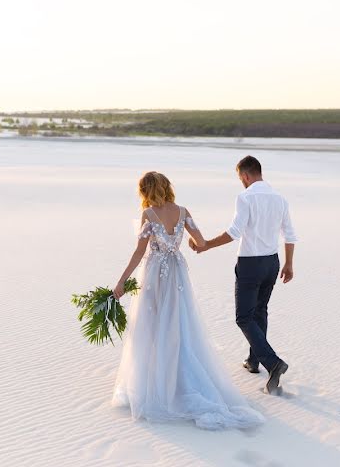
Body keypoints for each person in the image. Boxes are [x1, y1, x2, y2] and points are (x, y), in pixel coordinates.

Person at [110, 171, 264, 430]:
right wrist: (191, 244)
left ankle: (156, 381)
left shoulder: (148, 215)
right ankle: (180, 376)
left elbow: (139, 253)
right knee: (178, 322)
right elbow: (200, 241)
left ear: (146, 190)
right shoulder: (183, 211)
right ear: (167, 187)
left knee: (152, 324)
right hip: (177, 271)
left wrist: (122, 282)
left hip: (155, 273)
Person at [190, 155, 297, 395]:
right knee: (260, 311)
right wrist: (289, 264)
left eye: (241, 178)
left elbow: (234, 232)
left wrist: (206, 244)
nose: (242, 182)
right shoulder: (280, 198)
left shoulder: (245, 197)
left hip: (250, 264)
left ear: (246, 175)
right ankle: (253, 361)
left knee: (243, 317)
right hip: (272, 263)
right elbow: (289, 234)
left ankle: (273, 363)